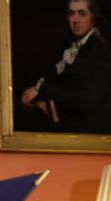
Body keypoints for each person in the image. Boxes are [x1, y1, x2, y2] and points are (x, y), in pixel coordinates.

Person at [20, 0, 111, 134]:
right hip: (59, 124)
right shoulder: (67, 46)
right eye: (71, 14)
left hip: (85, 131)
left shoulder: (102, 50)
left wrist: (41, 90)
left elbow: (86, 101)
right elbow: (51, 78)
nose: (75, 20)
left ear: (93, 17)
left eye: (81, 14)